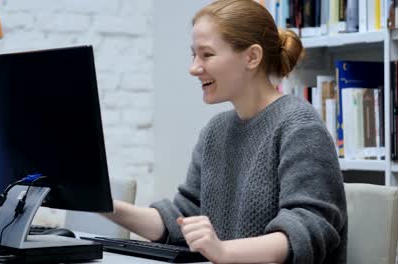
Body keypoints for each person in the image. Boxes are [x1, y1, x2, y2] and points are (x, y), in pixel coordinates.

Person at [104, 0, 347, 263]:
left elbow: (309, 228)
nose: (194, 68)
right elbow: (182, 218)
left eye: (207, 54)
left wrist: (223, 251)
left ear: (252, 57)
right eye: (193, 55)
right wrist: (104, 204)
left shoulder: (299, 125)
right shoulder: (215, 131)